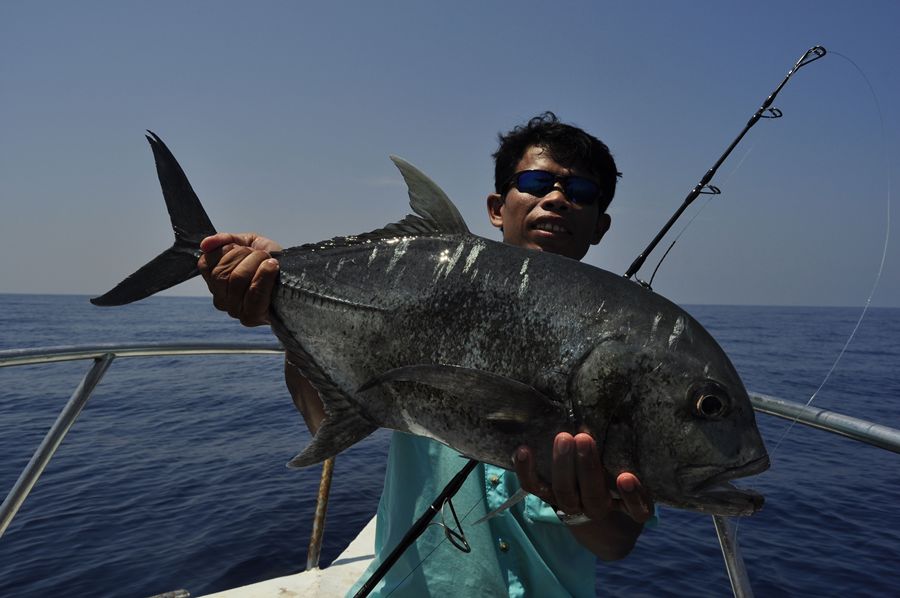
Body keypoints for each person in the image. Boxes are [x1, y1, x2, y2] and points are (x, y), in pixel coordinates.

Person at [198, 112, 654, 596]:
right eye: (538, 182)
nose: (558, 198)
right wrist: (275, 299)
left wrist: (583, 504)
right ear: (497, 207)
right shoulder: (424, 299)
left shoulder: (621, 353)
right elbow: (319, 414)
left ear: (600, 225)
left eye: (580, 192)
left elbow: (615, 543)